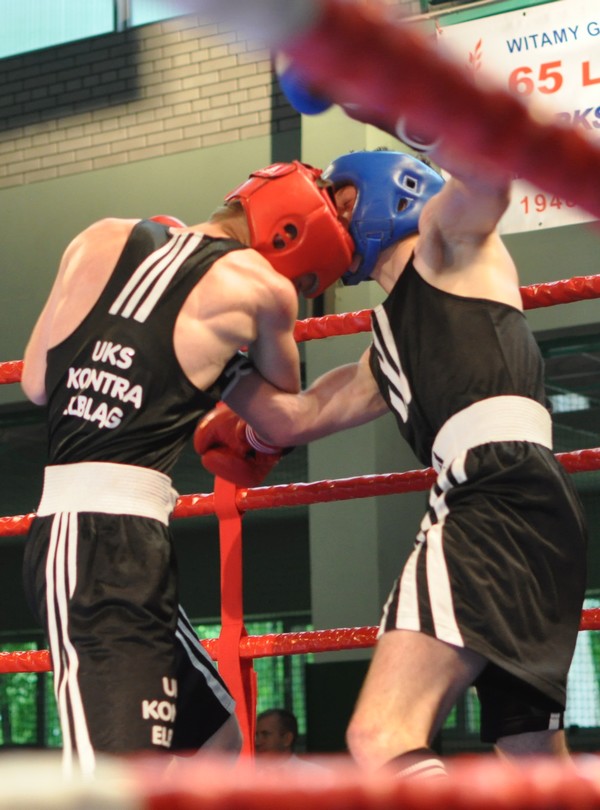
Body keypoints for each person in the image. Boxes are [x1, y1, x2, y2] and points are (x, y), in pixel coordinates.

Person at [194, 146, 588, 777]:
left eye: (343, 198)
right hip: (532, 510)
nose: (332, 213)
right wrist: (213, 360)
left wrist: (413, 109)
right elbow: (295, 417)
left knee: (380, 735)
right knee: (536, 764)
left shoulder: (448, 246)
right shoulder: (387, 342)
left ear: (396, 186)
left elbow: (485, 179)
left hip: (490, 496)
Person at [19, 160, 354, 776]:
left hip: (115, 541)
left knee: (216, 740)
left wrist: (161, 353)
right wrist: (228, 372)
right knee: (108, 781)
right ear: (289, 240)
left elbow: (38, 383)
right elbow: (281, 417)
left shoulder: (97, 236)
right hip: (94, 543)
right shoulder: (264, 286)